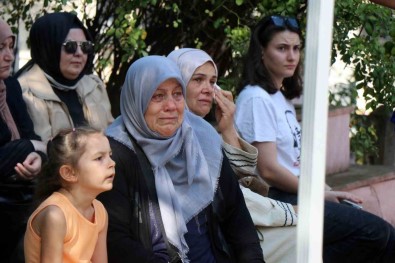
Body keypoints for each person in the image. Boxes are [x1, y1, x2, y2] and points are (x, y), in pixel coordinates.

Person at [235, 14, 395, 262]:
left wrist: (325, 190)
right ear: (262, 53)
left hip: (296, 192)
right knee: (377, 234)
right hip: (277, 199)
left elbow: (293, 160)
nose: (292, 56)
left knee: (378, 233)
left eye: (296, 48)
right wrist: (317, 194)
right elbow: (268, 170)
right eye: (282, 48)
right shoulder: (256, 98)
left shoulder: (278, 97)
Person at [97, 55, 264, 262]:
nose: (171, 106)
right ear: (136, 99)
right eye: (158, 96)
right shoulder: (113, 154)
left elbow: (237, 218)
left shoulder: (203, 139)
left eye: (177, 95)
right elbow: (116, 241)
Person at [168, 47, 297, 263]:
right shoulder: (168, 133)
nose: (208, 89)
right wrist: (288, 211)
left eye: (212, 82)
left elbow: (241, 182)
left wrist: (227, 128)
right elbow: (231, 197)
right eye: (198, 80)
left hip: (231, 226)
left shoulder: (205, 131)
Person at [16, 12, 113, 142]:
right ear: (49, 48)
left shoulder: (94, 85)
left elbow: (112, 135)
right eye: (70, 46)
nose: (79, 53)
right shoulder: (24, 92)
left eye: (85, 46)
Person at [24, 126, 115, 263]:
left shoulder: (100, 210)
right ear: (69, 173)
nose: (112, 163)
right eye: (99, 158)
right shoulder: (55, 215)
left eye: (110, 155)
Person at [0, 17, 47, 262]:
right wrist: (30, 147)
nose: (8, 56)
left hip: (17, 208)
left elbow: (33, 137)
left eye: (11, 47)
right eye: (0, 48)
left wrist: (35, 158)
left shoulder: (10, 86)